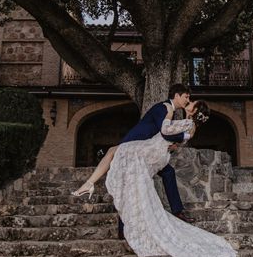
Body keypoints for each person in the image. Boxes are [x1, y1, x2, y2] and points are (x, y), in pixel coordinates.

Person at [72, 96, 237, 257]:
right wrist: (173, 138)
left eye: (191, 104)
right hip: (156, 149)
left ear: (195, 112)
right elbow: (174, 142)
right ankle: (95, 190)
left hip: (152, 150)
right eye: (188, 101)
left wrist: (168, 112)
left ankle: (92, 185)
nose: (188, 103)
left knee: (116, 153)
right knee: (121, 164)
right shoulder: (189, 126)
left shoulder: (188, 124)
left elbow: (166, 131)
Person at [73, 84, 192, 224]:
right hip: (135, 144)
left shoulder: (170, 110)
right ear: (177, 96)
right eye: (186, 96)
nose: (188, 100)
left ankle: (177, 211)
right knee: (127, 178)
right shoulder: (164, 107)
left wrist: (171, 145)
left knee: (168, 172)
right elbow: (164, 132)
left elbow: (163, 136)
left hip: (148, 151)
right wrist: (184, 137)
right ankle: (123, 226)